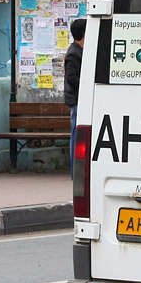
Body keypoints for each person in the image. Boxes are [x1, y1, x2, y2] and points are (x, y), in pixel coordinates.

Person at [64, 17, 86, 171]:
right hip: (76, 99)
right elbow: (71, 78)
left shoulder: (78, 50)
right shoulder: (74, 53)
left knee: (78, 135)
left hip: (78, 99)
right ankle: (74, 170)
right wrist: (86, 83)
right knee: (76, 136)